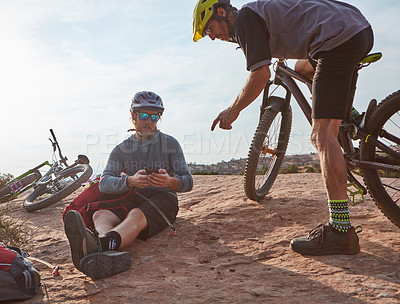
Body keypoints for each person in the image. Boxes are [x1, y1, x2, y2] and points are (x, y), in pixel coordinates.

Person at [193, 0, 374, 255]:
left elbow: (260, 74)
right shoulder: (257, 13)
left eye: (209, 29)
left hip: (337, 38)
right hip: (357, 28)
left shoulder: (244, 19)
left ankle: (341, 230)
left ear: (221, 13)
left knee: (321, 137)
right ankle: (349, 115)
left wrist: (233, 110)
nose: (212, 38)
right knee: (303, 67)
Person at [64, 91, 193, 278]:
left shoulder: (170, 144)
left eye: (154, 116)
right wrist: (129, 181)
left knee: (136, 214)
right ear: (133, 116)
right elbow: (105, 183)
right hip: (133, 195)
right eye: (143, 115)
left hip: (164, 199)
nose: (149, 121)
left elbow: (188, 181)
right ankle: (101, 248)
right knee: (102, 213)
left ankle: (100, 245)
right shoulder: (121, 150)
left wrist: (171, 182)